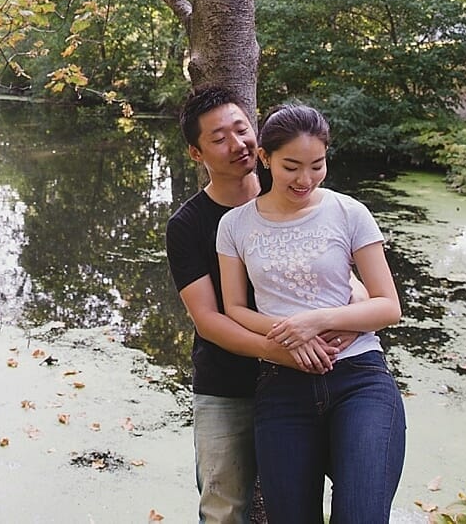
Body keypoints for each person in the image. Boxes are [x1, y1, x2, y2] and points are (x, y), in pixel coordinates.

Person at [166, 87, 357, 524]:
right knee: (224, 508)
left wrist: (345, 327)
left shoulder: (297, 188)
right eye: (219, 138)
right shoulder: (188, 225)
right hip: (229, 384)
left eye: (242, 128)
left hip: (314, 378)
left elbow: (352, 280)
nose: (238, 144)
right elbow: (209, 320)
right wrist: (282, 350)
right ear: (196, 153)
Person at [215, 103, 406, 524]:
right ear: (264, 158)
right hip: (282, 387)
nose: (305, 179)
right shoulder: (234, 225)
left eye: (317, 165)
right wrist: (291, 335)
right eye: (291, 166)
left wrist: (317, 321)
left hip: (359, 380)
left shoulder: (348, 212)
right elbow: (235, 309)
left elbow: (388, 305)